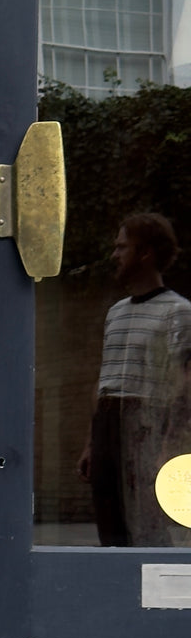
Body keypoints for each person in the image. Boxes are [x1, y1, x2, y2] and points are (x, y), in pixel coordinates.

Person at [77, 213, 191, 545]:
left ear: (146, 253)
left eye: (122, 247)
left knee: (147, 528)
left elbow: (184, 385)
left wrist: (167, 447)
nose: (115, 255)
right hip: (107, 424)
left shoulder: (178, 312)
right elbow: (105, 379)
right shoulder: (116, 312)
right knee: (110, 527)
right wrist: (91, 442)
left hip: (146, 423)